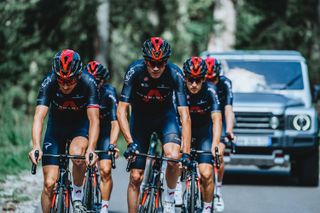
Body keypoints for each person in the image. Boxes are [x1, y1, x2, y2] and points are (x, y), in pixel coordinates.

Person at [117, 37, 191, 213]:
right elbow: (121, 110)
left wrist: (186, 152)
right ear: (145, 60)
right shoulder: (134, 71)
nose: (156, 67)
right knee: (135, 177)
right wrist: (129, 142)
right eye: (152, 63)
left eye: (161, 63)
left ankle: (169, 199)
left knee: (173, 158)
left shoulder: (175, 73)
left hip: (166, 118)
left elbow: (185, 116)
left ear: (166, 61)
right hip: (141, 121)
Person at [28, 49, 100, 213]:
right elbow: (39, 117)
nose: (65, 85)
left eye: (70, 80)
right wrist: (36, 146)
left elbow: (94, 119)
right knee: (49, 184)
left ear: (79, 75)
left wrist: (91, 148)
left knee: (77, 155)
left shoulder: (89, 83)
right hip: (56, 129)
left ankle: (76, 196)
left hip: (79, 127)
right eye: (61, 80)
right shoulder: (49, 81)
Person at [183, 56, 222, 213]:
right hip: (182, 129)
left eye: (198, 80)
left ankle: (206, 208)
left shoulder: (211, 90)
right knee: (175, 162)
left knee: (206, 174)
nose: (193, 84)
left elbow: (217, 119)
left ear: (204, 79)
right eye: (190, 80)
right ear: (185, 78)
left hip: (203, 133)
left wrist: (215, 145)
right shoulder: (179, 90)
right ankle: (177, 190)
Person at [86, 61, 120, 213]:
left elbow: (115, 122)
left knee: (105, 170)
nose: (93, 83)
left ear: (103, 81)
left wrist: (112, 144)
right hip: (86, 131)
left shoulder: (109, 93)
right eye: (90, 79)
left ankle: (104, 206)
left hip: (105, 132)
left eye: (97, 80)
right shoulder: (81, 91)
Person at [205, 57, 235, 212]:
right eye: (207, 79)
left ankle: (217, 191)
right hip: (204, 118)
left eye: (213, 79)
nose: (210, 82)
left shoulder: (225, 83)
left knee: (219, 154)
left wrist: (229, 129)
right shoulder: (199, 83)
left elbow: (229, 109)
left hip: (221, 119)